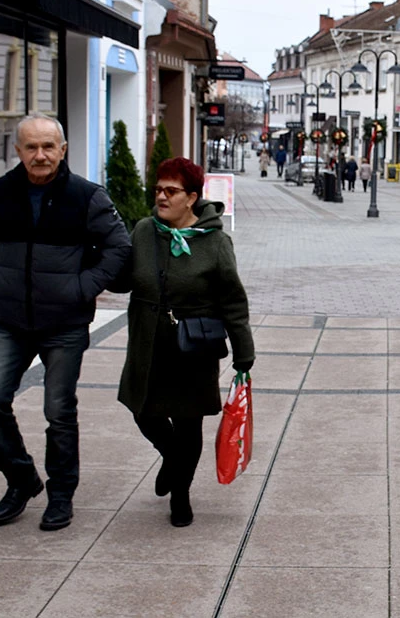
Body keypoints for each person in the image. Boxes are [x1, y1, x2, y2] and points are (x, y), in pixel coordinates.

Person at [0, 113, 131, 530]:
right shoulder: (0, 192)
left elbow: (120, 246)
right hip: (10, 322)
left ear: (63, 150)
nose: (40, 155)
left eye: (48, 147)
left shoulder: (87, 196)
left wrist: (83, 288)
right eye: (31, 147)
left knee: (58, 410)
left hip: (64, 323)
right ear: (18, 150)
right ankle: (21, 479)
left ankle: (61, 494)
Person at [116, 157, 255, 527]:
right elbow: (124, 277)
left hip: (192, 348)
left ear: (191, 197)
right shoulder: (144, 231)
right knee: (143, 412)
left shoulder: (215, 242)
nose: (161, 196)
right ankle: (172, 459)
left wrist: (244, 352)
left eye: (171, 191)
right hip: (148, 344)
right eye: (158, 189)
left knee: (189, 424)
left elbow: (233, 301)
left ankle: (181, 494)